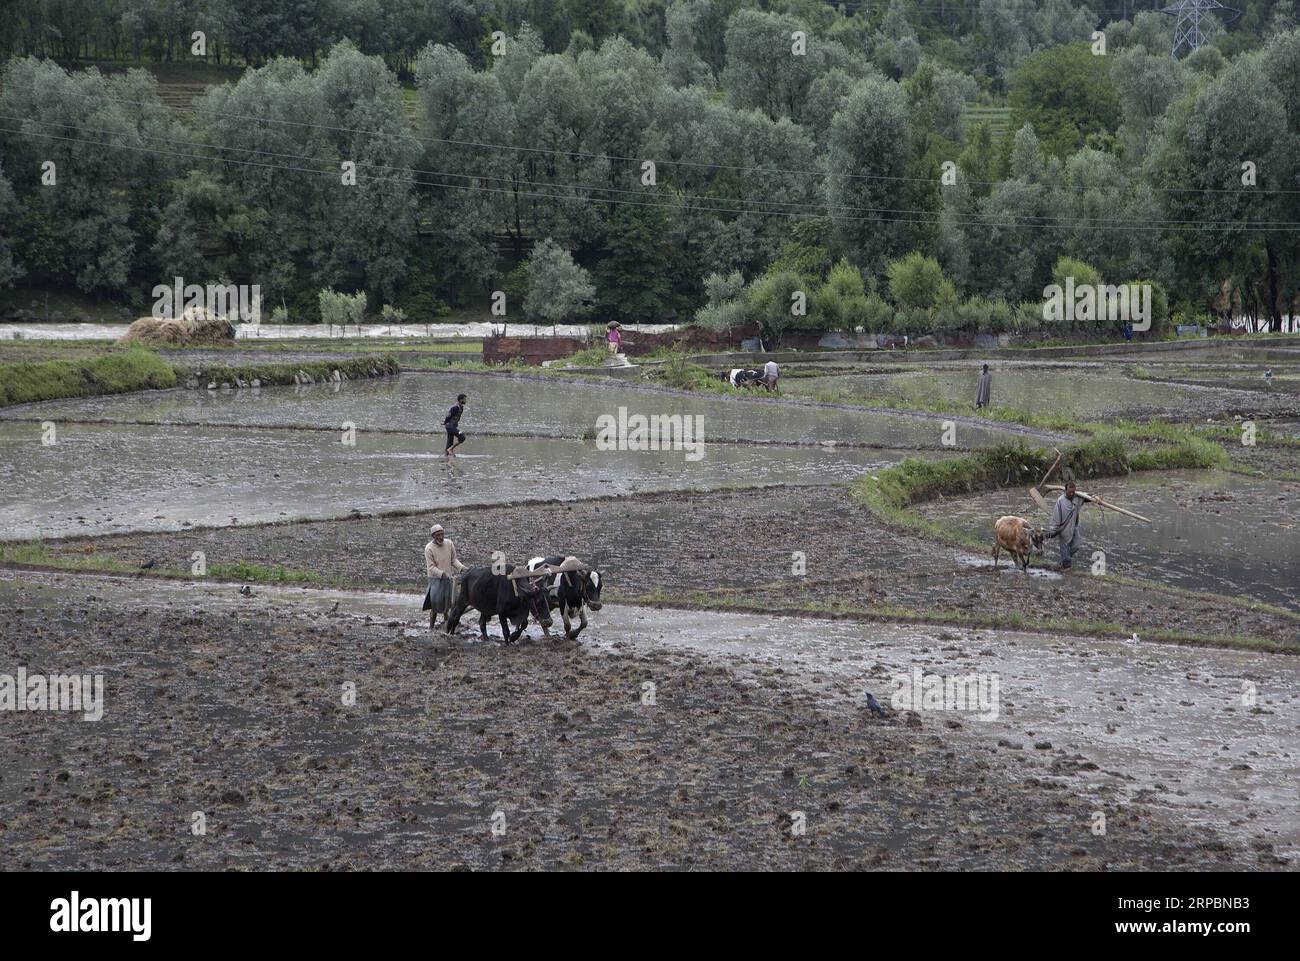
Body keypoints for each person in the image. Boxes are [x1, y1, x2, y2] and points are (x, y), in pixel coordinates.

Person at [422, 523, 466, 630]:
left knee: (449, 603)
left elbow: (453, 560)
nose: (441, 537)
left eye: (442, 534)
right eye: (438, 535)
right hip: (436, 580)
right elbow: (431, 567)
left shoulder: (449, 544)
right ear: (433, 536)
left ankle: (447, 624)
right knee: (435, 605)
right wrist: (442, 574)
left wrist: (462, 568)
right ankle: (431, 626)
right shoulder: (429, 548)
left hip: (449, 579)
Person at [1046, 480, 1085, 570]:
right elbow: (1056, 516)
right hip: (1064, 528)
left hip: (1074, 526)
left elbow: (1087, 497)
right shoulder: (1060, 501)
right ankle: (1066, 566)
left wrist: (1095, 498)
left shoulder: (1078, 497)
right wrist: (1054, 529)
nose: (1071, 494)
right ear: (1065, 491)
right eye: (1069, 492)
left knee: (1076, 546)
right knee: (1064, 546)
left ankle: (1065, 559)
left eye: (1073, 492)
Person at [443, 393, 467, 458]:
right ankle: (450, 449)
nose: (465, 401)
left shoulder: (461, 407)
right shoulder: (455, 407)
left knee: (449, 443)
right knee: (462, 437)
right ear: (461, 400)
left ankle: (446, 457)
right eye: (464, 399)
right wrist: (445, 422)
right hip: (450, 426)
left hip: (452, 426)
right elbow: (448, 415)